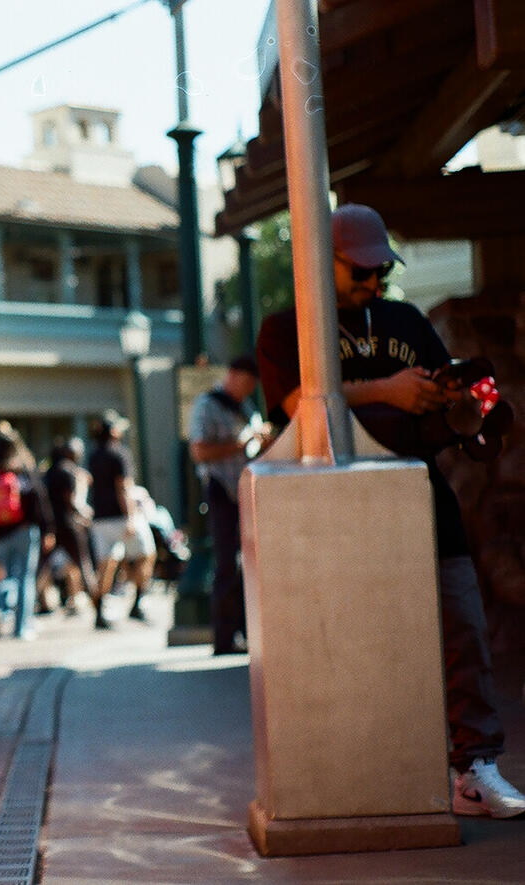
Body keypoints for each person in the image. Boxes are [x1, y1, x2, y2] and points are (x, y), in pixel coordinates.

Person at [255, 202, 525, 819]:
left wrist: (457, 405)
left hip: (423, 491)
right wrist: (387, 390)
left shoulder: (404, 319)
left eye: (382, 272)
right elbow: (298, 404)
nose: (375, 283)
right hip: (334, 512)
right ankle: (371, 769)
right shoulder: (285, 327)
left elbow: (439, 398)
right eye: (362, 272)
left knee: (462, 626)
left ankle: (476, 767)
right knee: (359, 641)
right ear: (325, 263)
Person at [189, 355, 269, 655]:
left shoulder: (246, 407)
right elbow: (199, 451)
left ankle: (247, 633)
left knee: (248, 564)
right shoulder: (206, 405)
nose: (248, 392)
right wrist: (241, 442)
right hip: (221, 490)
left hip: (247, 489)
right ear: (233, 375)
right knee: (226, 563)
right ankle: (223, 638)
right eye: (247, 384)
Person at [0, 423, 54, 640]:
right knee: (24, 578)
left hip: (0, 533)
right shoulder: (23, 466)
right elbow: (40, 499)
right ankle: (22, 627)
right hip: (24, 530)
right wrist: (47, 528)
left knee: (9, 576)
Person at [85, 410, 156, 627]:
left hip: (99, 519)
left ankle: (99, 612)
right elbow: (123, 487)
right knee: (147, 553)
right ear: (114, 431)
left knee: (106, 565)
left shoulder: (93, 455)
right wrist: (131, 517)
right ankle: (137, 602)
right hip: (120, 517)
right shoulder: (120, 453)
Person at [40, 438, 98, 616]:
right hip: (69, 524)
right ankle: (99, 609)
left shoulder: (48, 472)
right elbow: (72, 500)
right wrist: (85, 514)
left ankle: (33, 603)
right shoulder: (69, 472)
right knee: (84, 566)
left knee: (42, 568)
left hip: (50, 526)